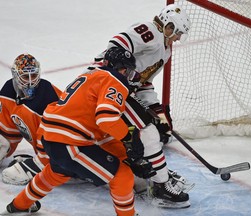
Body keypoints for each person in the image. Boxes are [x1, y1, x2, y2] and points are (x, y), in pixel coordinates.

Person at [4, 47, 155, 216]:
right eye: (127, 71)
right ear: (122, 69)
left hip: (50, 136)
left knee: (56, 173)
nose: (126, 76)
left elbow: (99, 130)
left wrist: (128, 156)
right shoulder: (114, 79)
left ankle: (19, 204)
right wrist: (129, 138)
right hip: (70, 143)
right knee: (122, 175)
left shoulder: (88, 76)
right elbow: (106, 119)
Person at [87, 4, 192, 208]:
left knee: (153, 131)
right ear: (168, 25)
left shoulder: (165, 49)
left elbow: (143, 83)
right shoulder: (150, 31)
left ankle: (145, 172)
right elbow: (115, 47)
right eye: (177, 32)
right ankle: (161, 186)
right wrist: (122, 68)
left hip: (118, 88)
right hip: (104, 83)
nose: (178, 37)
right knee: (148, 133)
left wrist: (160, 116)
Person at [0, 53, 62, 184]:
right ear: (15, 75)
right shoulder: (8, 91)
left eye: (33, 75)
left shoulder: (48, 96)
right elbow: (7, 130)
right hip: (45, 152)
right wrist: (3, 147)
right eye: (24, 76)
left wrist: (41, 162)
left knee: (11, 175)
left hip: (62, 151)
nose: (29, 81)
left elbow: (60, 137)